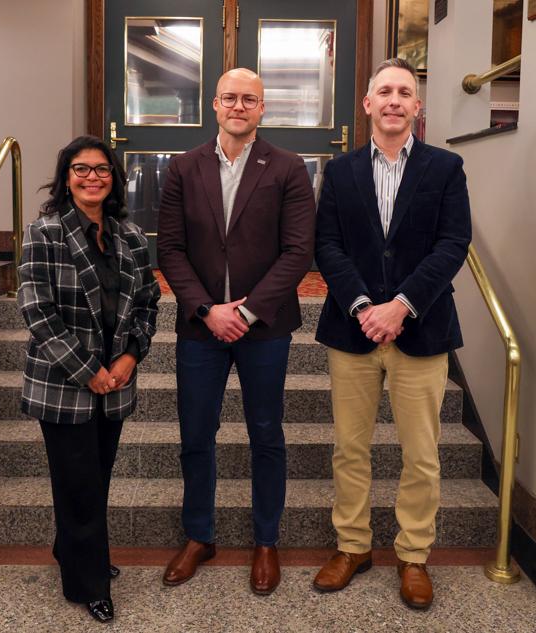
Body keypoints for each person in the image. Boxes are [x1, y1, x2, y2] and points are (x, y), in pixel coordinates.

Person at [313, 58, 471, 610]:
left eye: (405, 92)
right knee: (349, 450)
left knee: (421, 454)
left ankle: (413, 554)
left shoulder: (445, 168)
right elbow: (327, 245)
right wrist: (364, 307)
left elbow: (453, 243)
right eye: (385, 91)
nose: (395, 100)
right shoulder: (340, 171)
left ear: (416, 106)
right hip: (353, 330)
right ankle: (352, 547)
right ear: (368, 104)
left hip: (421, 331)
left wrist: (401, 306)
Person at [157, 68, 315, 595]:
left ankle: (266, 540)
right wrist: (207, 310)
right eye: (230, 98)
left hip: (265, 327)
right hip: (200, 328)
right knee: (195, 435)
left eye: (250, 99)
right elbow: (170, 249)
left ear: (262, 108)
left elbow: (298, 252)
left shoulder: (288, 168)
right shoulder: (184, 167)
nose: (239, 106)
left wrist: (246, 314)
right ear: (215, 104)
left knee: (266, 434)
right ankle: (198, 536)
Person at [18, 135, 160, 623]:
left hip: (115, 383)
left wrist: (131, 357)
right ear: (66, 177)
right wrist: (89, 371)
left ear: (114, 178)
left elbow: (148, 303)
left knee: (95, 478)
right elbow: (37, 312)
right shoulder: (44, 232)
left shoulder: (131, 236)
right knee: (77, 483)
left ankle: (75, 549)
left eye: (102, 169)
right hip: (64, 384)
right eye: (81, 169)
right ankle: (89, 583)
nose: (92, 177)